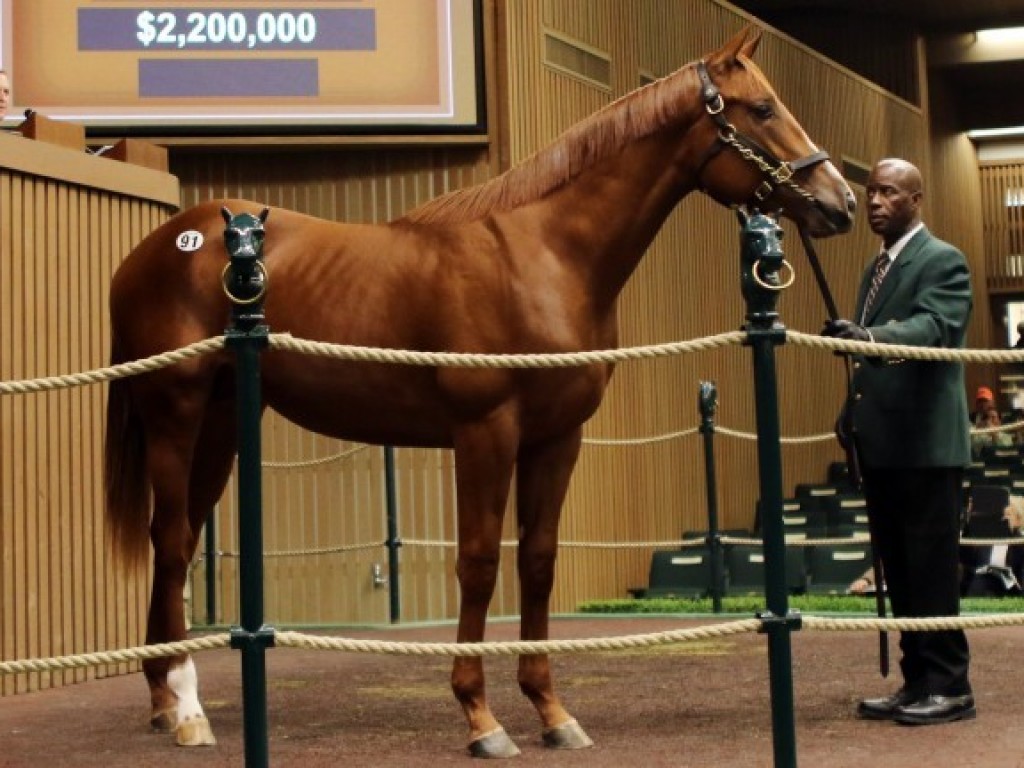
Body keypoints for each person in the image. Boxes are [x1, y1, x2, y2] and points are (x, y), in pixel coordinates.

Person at [822, 157, 975, 726]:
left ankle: (953, 686)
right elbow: (877, 359)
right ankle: (918, 682)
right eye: (872, 192)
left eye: (889, 192)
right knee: (901, 569)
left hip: (927, 446)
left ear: (916, 199)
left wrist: (869, 335)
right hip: (883, 444)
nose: (877, 201)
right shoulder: (876, 267)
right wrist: (851, 411)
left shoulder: (943, 260)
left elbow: (934, 328)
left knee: (931, 570)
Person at [960, 494, 1024, 596]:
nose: (1003, 518)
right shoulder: (987, 536)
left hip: (1009, 585)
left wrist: (1013, 532)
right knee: (979, 582)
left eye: (1008, 515)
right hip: (981, 580)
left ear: (1018, 520)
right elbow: (965, 556)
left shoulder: (1020, 542)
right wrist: (970, 517)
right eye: (1002, 515)